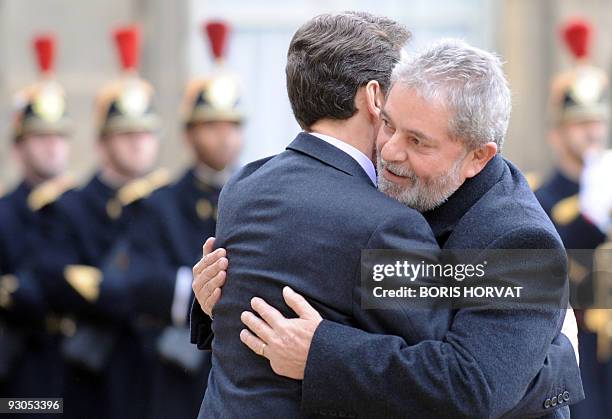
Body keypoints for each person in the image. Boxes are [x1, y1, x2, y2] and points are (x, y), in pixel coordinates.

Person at [191, 12, 581, 418]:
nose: (392, 150)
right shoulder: (390, 201)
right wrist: (219, 298)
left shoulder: (520, 243)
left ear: (477, 157)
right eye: (390, 125)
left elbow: (473, 386)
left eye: (417, 141)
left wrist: (320, 354)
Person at [34, 25, 163, 419]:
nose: (138, 141)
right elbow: (56, 278)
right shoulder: (69, 206)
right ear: (101, 141)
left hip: (156, 377)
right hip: (88, 382)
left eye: (145, 132)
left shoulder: (167, 203)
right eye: (125, 133)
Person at [119, 20, 244, 419]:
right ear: (189, 134)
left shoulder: (257, 195)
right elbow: (139, 279)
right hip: (174, 369)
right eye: (212, 125)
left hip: (240, 372)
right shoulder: (159, 203)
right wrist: (208, 295)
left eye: (233, 125)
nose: (225, 136)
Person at [534, 18, 612, 419]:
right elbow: (549, 280)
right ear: (556, 134)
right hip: (580, 368)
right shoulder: (538, 200)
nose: (592, 133)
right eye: (580, 123)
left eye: (597, 121)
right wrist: (588, 218)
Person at [0, 34, 72, 406]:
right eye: (39, 136)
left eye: (59, 135)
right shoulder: (5, 212)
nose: (51, 145)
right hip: (22, 373)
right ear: (18, 146)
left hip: (83, 373)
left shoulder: (82, 207)